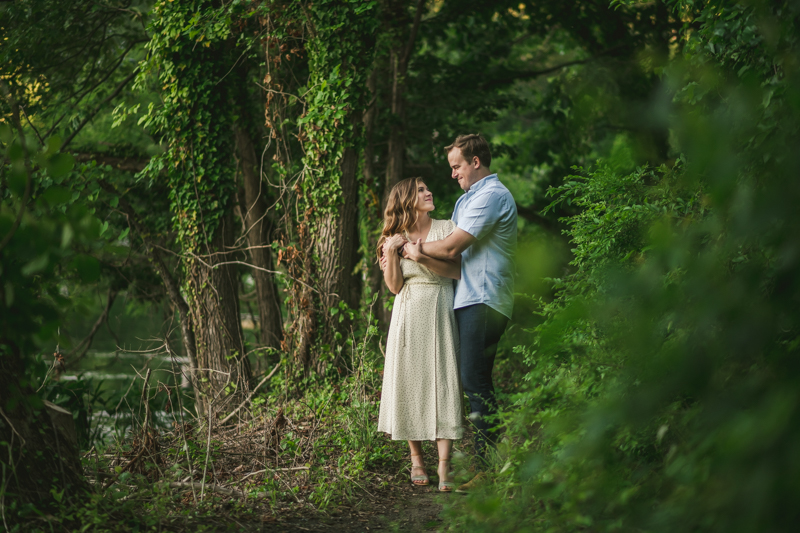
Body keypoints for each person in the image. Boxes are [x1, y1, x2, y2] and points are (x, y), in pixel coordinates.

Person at [402, 134, 517, 481]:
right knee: (474, 379)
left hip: (485, 298)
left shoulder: (492, 196)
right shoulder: (467, 200)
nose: (453, 174)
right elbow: (449, 253)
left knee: (474, 379)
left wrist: (413, 249)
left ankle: (488, 468)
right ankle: (493, 462)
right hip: (468, 299)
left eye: (457, 166)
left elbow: (451, 248)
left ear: (475, 162)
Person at [376, 177, 463, 492]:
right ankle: (416, 459)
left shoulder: (447, 228)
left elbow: (455, 272)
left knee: (443, 380)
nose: (429, 193)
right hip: (407, 311)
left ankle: (444, 467)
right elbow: (395, 287)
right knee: (409, 380)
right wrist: (392, 251)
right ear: (406, 200)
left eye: (428, 188)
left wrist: (418, 255)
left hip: (440, 307)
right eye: (422, 190)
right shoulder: (391, 238)